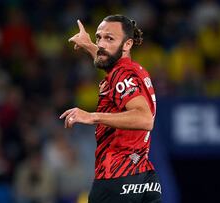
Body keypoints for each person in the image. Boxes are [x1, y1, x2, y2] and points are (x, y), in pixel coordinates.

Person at [59, 15, 161, 203]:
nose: (101, 44)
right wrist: (88, 45)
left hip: (116, 178)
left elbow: (145, 119)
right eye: (99, 38)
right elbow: (110, 65)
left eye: (109, 38)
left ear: (127, 44)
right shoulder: (133, 70)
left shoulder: (122, 75)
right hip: (144, 177)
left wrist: (92, 116)